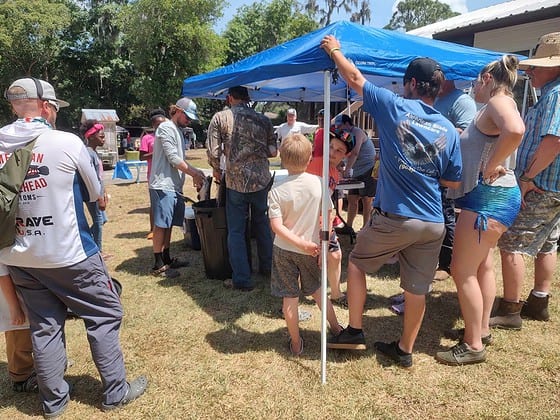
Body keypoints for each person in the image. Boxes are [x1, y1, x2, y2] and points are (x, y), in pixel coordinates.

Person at [0, 77, 147, 417]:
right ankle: (115, 391)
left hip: (19, 255)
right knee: (105, 312)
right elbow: (97, 192)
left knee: (45, 325)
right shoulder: (66, 141)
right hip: (68, 252)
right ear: (47, 107)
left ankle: (53, 403)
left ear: (13, 106)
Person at [320, 37, 462, 368]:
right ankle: (404, 350)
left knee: (356, 264)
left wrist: (334, 49)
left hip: (395, 217)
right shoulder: (449, 130)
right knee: (417, 289)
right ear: (438, 89)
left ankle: (354, 330)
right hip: (433, 222)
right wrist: (423, 171)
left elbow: (355, 79)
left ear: (412, 83)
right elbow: (453, 181)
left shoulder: (394, 105)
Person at [435, 55, 525, 365]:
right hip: (492, 197)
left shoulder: (498, 101)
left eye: (475, 82)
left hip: (487, 199)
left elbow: (515, 130)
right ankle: (481, 329)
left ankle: (473, 345)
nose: (472, 88)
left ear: (486, 79)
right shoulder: (495, 106)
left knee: (462, 271)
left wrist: (493, 163)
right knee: (482, 265)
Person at [490, 32, 560, 329]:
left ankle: (510, 309)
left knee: (511, 242)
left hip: (541, 184)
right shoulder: (551, 93)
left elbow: (554, 141)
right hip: (552, 186)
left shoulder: (556, 94)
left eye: (537, 66)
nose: (529, 71)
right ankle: (538, 300)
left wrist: (528, 177)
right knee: (547, 243)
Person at [268, 133, 343, 356]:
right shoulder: (319, 184)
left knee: (289, 298)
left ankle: (296, 343)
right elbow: (329, 216)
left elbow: (277, 227)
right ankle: (337, 328)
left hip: (284, 250)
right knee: (319, 292)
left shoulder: (276, 190)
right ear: (310, 157)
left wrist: (299, 242)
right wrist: (323, 243)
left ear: (281, 156)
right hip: (311, 248)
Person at [207, 86, 277, 291]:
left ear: (230, 98)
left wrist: (216, 169)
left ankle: (242, 279)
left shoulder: (221, 118)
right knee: (262, 225)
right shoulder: (264, 120)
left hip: (236, 182)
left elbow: (213, 151)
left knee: (236, 231)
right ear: (248, 99)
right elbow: (273, 151)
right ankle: (267, 267)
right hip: (261, 181)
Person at [149, 97, 206, 278]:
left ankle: (166, 257)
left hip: (174, 186)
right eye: (187, 116)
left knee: (169, 224)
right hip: (162, 184)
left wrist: (195, 172)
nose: (188, 121)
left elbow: (181, 159)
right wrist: (195, 174)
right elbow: (173, 159)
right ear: (177, 111)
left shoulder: (178, 131)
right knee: (161, 225)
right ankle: (158, 263)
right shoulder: (166, 128)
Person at [433, 80, 477, 280]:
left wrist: (437, 136)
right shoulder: (437, 99)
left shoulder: (462, 100)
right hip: (433, 169)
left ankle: (446, 264)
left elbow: (468, 133)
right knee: (436, 214)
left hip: (449, 171)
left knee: (446, 216)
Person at [306, 127, 356, 307]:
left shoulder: (334, 172)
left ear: (346, 155)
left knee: (334, 256)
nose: (333, 153)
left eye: (339, 150)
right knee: (304, 259)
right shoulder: (316, 163)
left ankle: (335, 293)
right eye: (331, 147)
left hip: (322, 220)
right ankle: (291, 298)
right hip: (309, 221)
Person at [336, 114, 377, 231]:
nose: (339, 129)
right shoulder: (346, 135)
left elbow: (355, 153)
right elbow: (347, 152)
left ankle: (366, 228)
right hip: (357, 171)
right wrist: (341, 163)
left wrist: (347, 169)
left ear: (347, 124)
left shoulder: (358, 132)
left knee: (366, 199)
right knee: (352, 198)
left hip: (368, 169)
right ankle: (348, 226)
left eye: (341, 126)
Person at [1, 265, 36, 393]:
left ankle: (45, 363)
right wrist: (14, 307)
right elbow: (1, 273)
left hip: (23, 280)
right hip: (9, 288)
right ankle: (21, 377)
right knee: (18, 332)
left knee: (31, 327)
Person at [80, 119, 111, 259]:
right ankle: (97, 252)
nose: (103, 138)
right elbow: (91, 177)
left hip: (98, 193)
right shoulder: (89, 153)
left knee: (102, 220)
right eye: (101, 136)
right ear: (91, 136)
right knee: (98, 221)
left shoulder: (94, 152)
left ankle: (87, 244)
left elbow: (100, 177)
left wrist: (103, 192)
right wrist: (99, 197)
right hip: (93, 194)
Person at [139, 108, 167, 240]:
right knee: (154, 203)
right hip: (153, 175)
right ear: (153, 125)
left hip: (167, 174)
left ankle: (165, 226)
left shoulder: (167, 136)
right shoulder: (147, 138)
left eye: (162, 124)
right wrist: (157, 152)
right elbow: (142, 156)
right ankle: (152, 229)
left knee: (166, 201)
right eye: (157, 125)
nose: (160, 127)